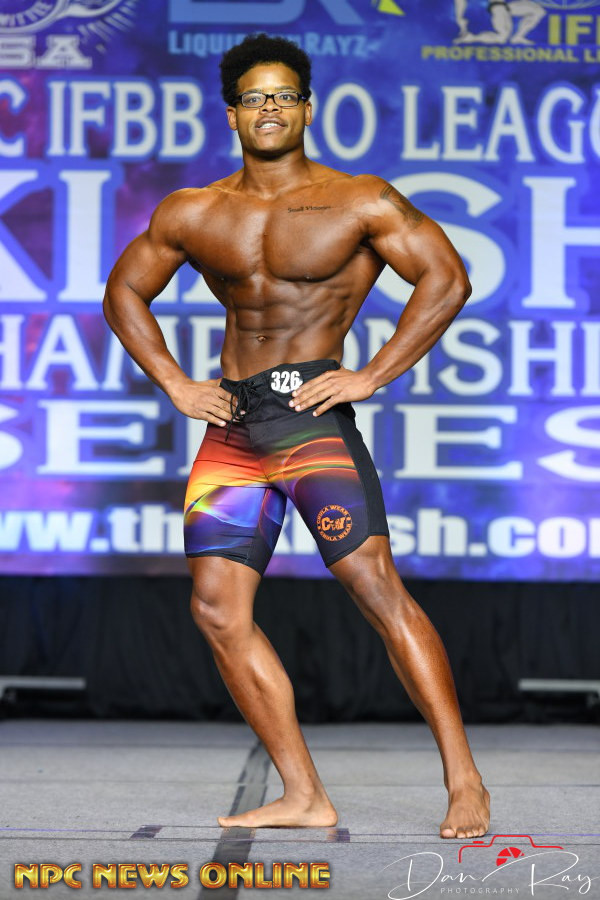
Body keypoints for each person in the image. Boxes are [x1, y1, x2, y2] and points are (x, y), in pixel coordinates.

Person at [103, 33, 490, 840]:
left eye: (284, 95)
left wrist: (373, 373)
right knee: (216, 610)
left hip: (309, 420)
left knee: (375, 587)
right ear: (233, 114)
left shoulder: (360, 200)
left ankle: (465, 781)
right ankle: (304, 793)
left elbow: (447, 278)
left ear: (308, 109)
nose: (270, 108)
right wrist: (175, 382)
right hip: (234, 427)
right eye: (254, 98)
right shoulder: (193, 210)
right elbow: (124, 292)